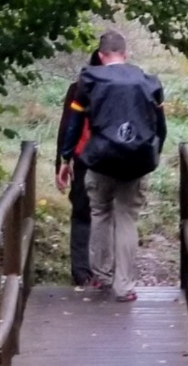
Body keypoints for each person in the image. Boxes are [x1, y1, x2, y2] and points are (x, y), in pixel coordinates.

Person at [56, 29, 165, 302]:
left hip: (100, 160)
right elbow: (160, 128)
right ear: (125, 54)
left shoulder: (89, 80)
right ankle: (124, 286)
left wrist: (65, 159)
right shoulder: (148, 82)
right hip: (136, 162)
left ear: (101, 55)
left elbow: (74, 124)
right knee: (127, 218)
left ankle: (102, 277)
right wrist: (154, 153)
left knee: (100, 214)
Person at [55, 51, 103, 288]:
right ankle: (100, 272)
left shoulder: (78, 88)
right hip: (110, 159)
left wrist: (61, 163)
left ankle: (82, 272)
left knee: (82, 214)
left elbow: (66, 128)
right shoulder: (122, 88)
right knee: (105, 214)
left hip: (84, 157)